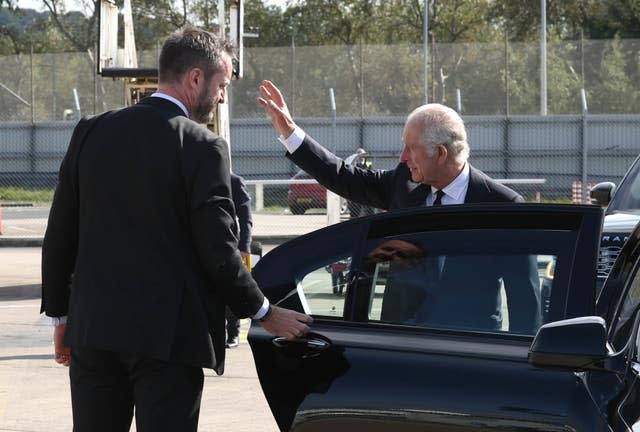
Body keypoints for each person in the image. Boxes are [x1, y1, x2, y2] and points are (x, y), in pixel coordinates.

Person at [40, 30, 312, 432]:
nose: (222, 97)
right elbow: (218, 251)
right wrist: (265, 313)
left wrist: (61, 317)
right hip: (168, 343)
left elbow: (60, 232)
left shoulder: (91, 131)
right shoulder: (203, 146)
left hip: (94, 333)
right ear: (196, 79)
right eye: (222, 85)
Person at [257, 80, 540, 334]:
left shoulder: (501, 205)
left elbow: (525, 301)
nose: (403, 157)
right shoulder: (404, 184)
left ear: (440, 153)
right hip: (402, 345)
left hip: (469, 351)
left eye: (410, 148)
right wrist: (292, 134)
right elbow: (344, 177)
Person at [225, 172, 253, 348]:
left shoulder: (234, 181)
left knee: (230, 288)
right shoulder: (199, 176)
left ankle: (233, 333)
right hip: (202, 243)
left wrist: (245, 246)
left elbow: (246, 217)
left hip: (230, 245)